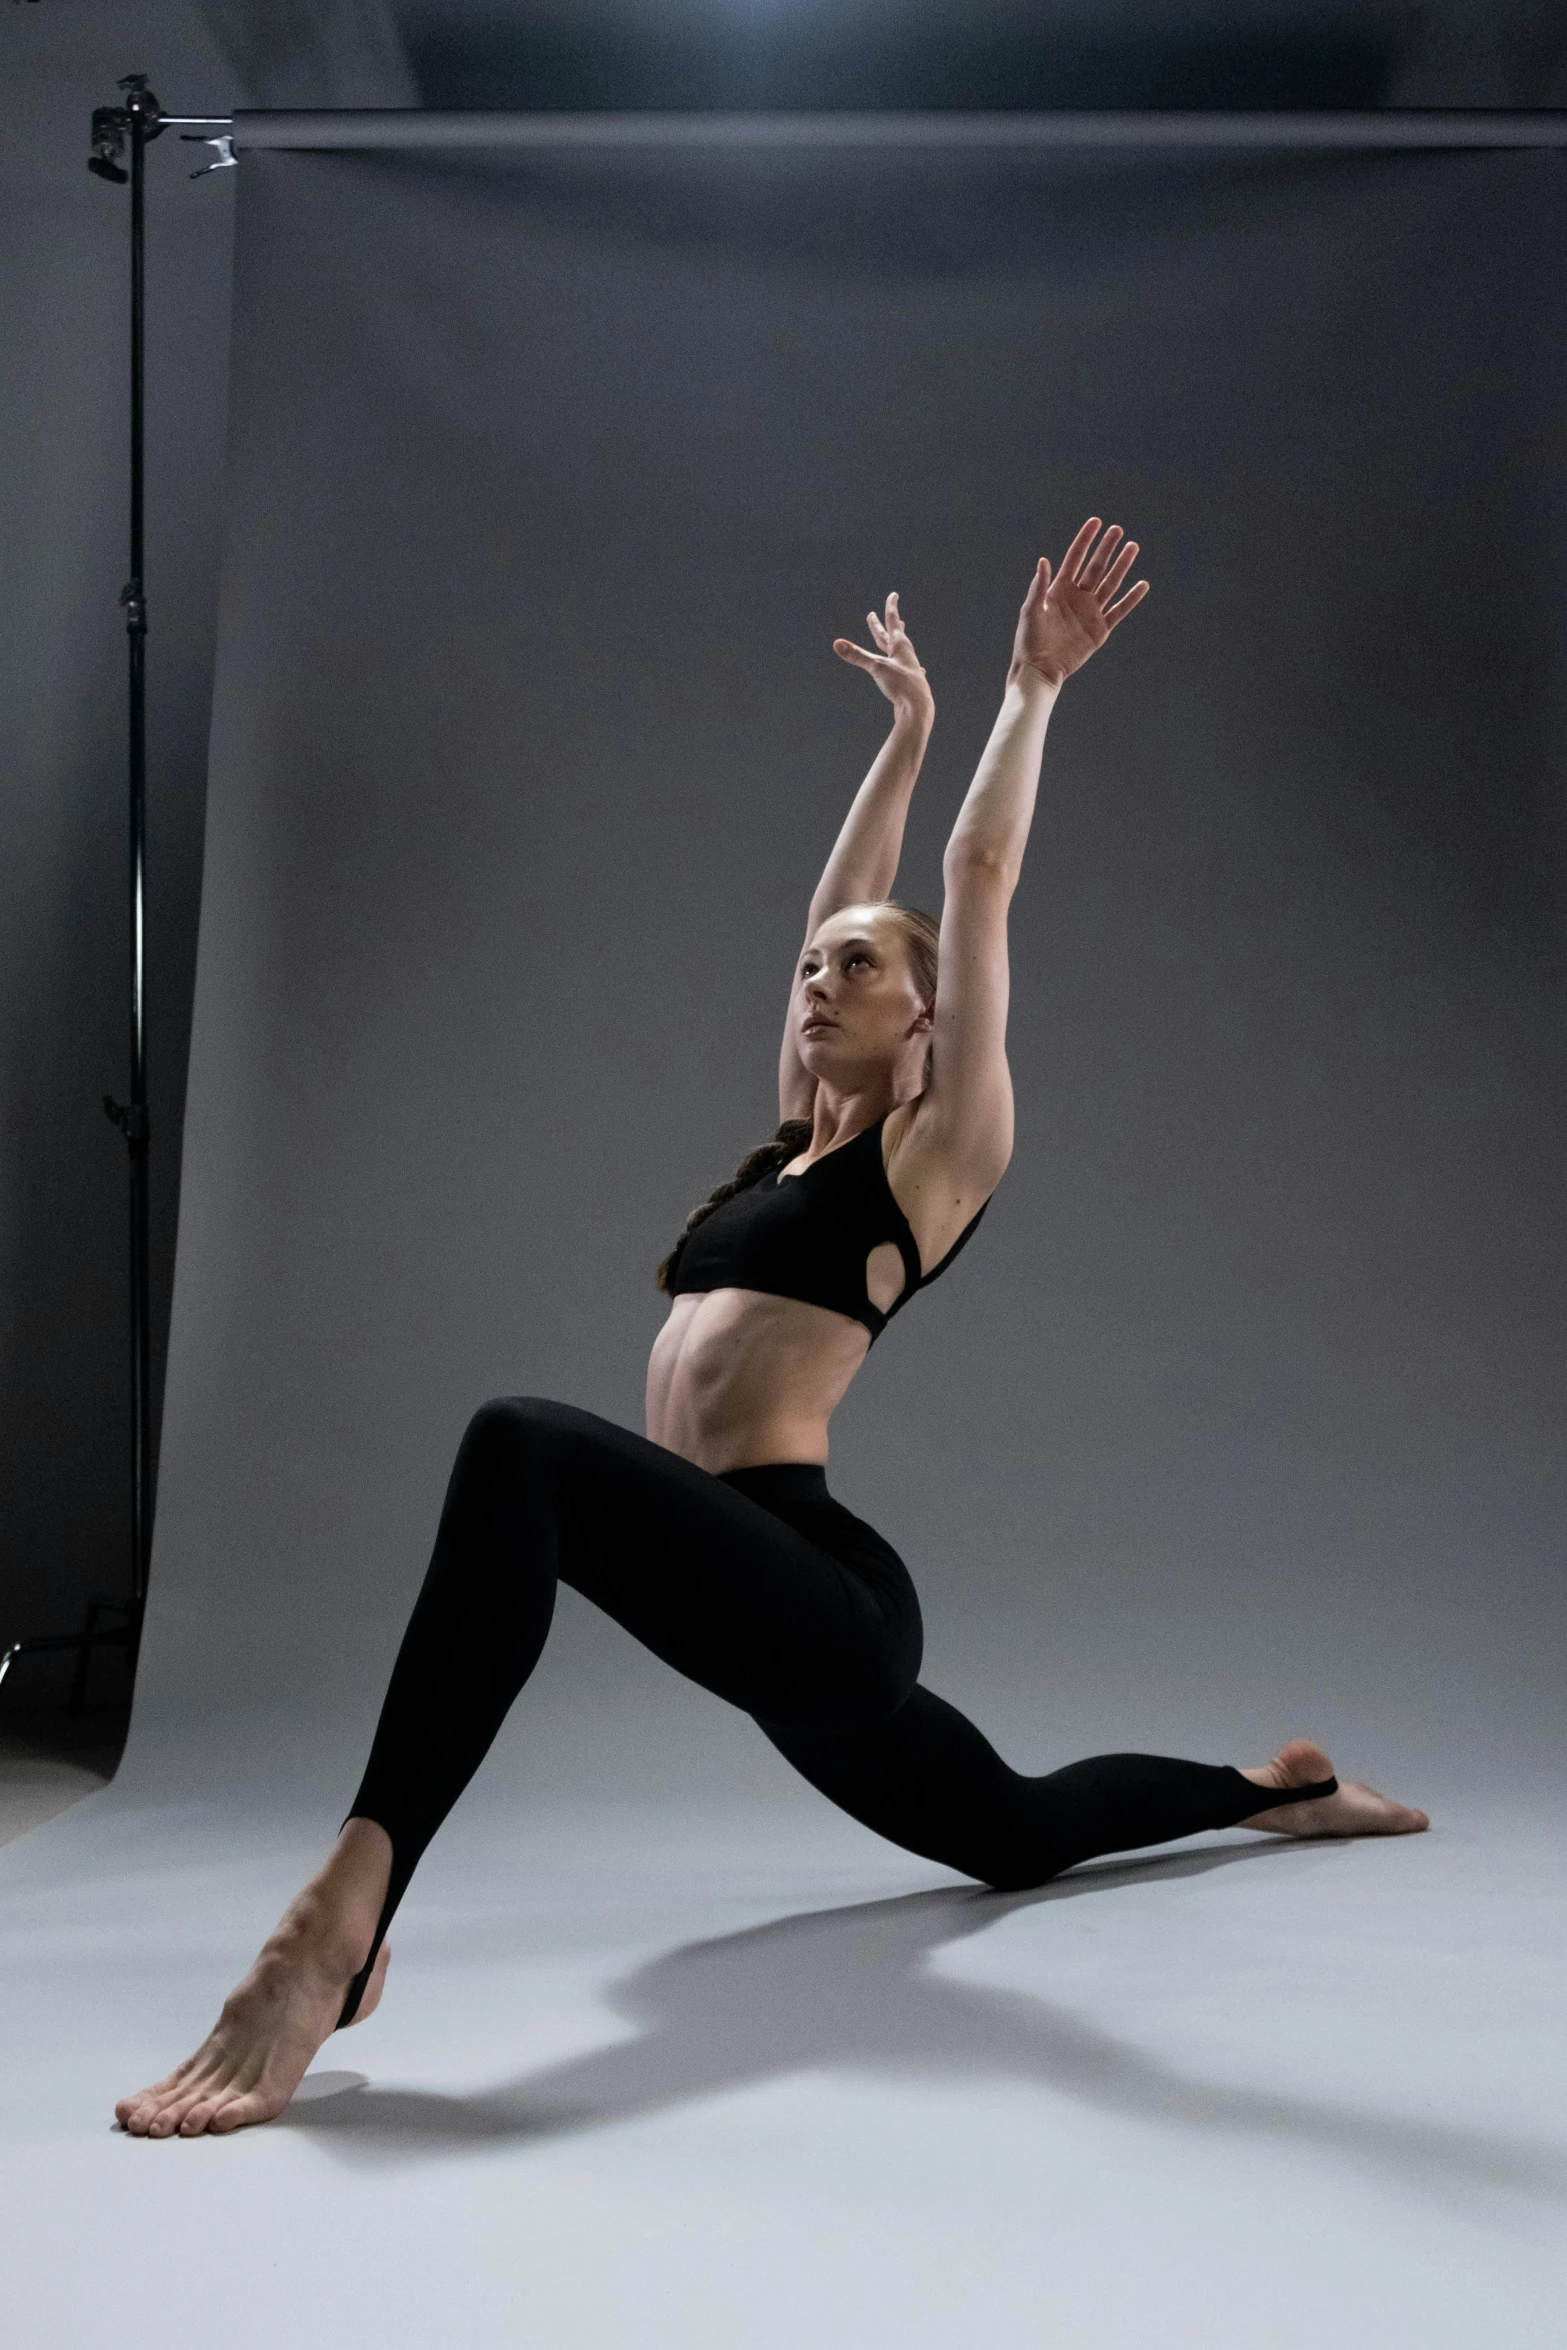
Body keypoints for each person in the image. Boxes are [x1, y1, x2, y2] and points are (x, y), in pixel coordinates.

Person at [116, 519, 1426, 2139]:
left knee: (518, 1443)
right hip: (731, 1581)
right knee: (1010, 1828)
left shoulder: (935, 1157)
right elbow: (844, 896)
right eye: (809, 965)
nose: (819, 973)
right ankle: (1271, 1788)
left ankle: (339, 1915)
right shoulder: (788, 1147)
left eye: (856, 969)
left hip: (821, 1593)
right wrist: (902, 735)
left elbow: (970, 880)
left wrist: (1023, 690)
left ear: (926, 1021)